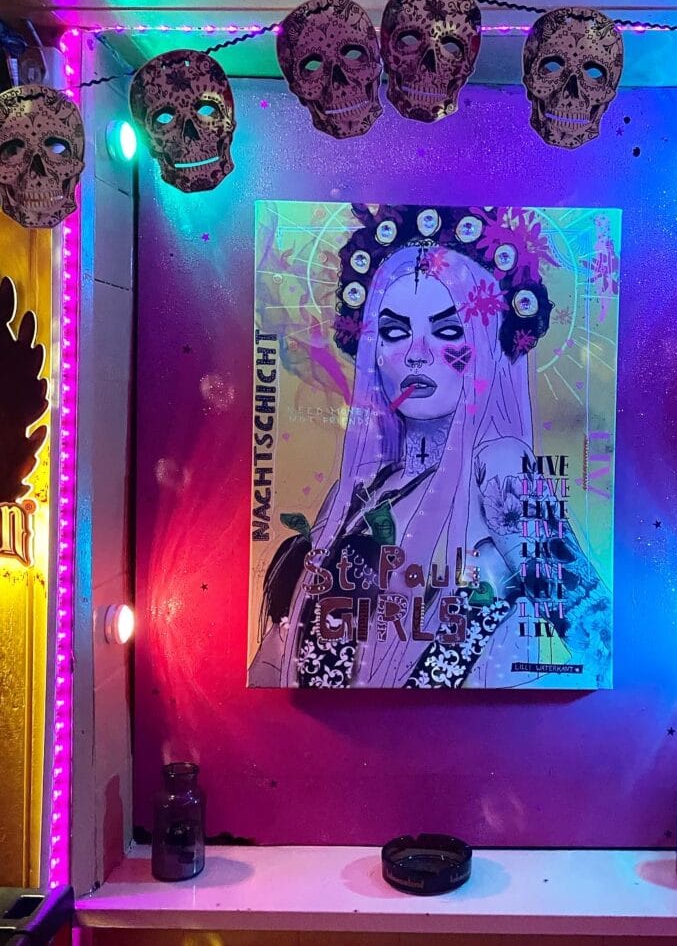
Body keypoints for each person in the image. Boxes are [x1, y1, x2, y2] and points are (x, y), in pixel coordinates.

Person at [249, 205, 612, 688]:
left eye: (448, 330)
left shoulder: (499, 467)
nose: (416, 354)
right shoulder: (357, 489)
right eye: (394, 332)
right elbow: (282, 652)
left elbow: (599, 640)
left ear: (487, 343)